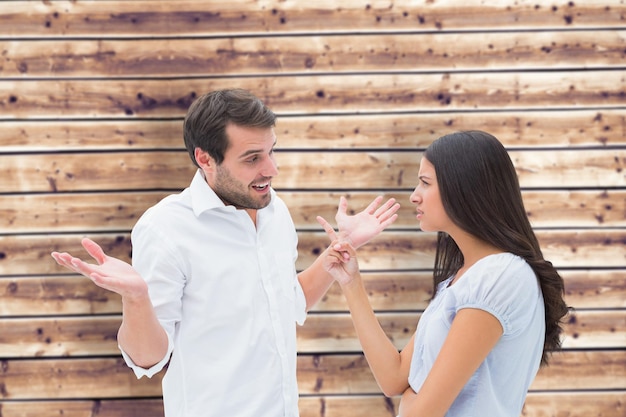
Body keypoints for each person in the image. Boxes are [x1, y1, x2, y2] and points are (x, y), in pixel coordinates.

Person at [51, 88, 400, 417]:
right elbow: (147, 359)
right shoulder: (165, 228)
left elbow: (288, 300)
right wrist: (138, 300)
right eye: (253, 158)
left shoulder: (274, 211)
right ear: (205, 158)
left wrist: (342, 245)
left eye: (271, 151)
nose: (271, 169)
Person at [319, 130, 570, 417]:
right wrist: (352, 283)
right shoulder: (461, 280)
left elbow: (420, 413)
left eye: (425, 183)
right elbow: (394, 378)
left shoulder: (500, 276)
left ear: (464, 189)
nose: (414, 196)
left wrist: (412, 398)